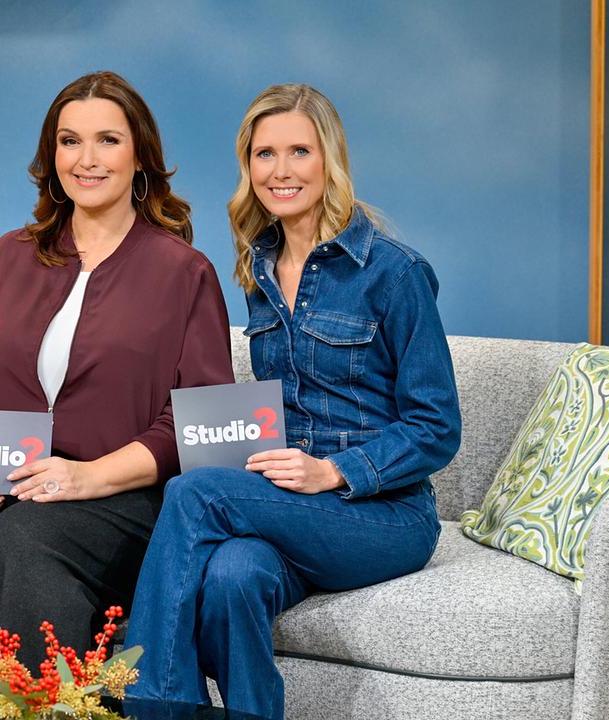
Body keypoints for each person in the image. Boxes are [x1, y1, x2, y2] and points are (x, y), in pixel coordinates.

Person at [124, 83, 462, 718]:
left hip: (382, 515)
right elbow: (282, 403)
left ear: (329, 160)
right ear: (247, 166)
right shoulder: (260, 265)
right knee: (232, 578)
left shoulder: (394, 272)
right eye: (263, 154)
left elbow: (437, 426)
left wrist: (333, 470)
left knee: (194, 493)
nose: (280, 172)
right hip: (289, 502)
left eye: (299, 152)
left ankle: (153, 702)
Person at [0, 71, 233, 674]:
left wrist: (89, 476)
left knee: (28, 537)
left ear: (141, 157)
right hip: (11, 484)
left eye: (107, 140)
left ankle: (56, 711)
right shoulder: (6, 257)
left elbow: (202, 420)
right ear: (50, 154)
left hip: (124, 494)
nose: (86, 160)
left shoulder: (183, 271)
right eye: (69, 141)